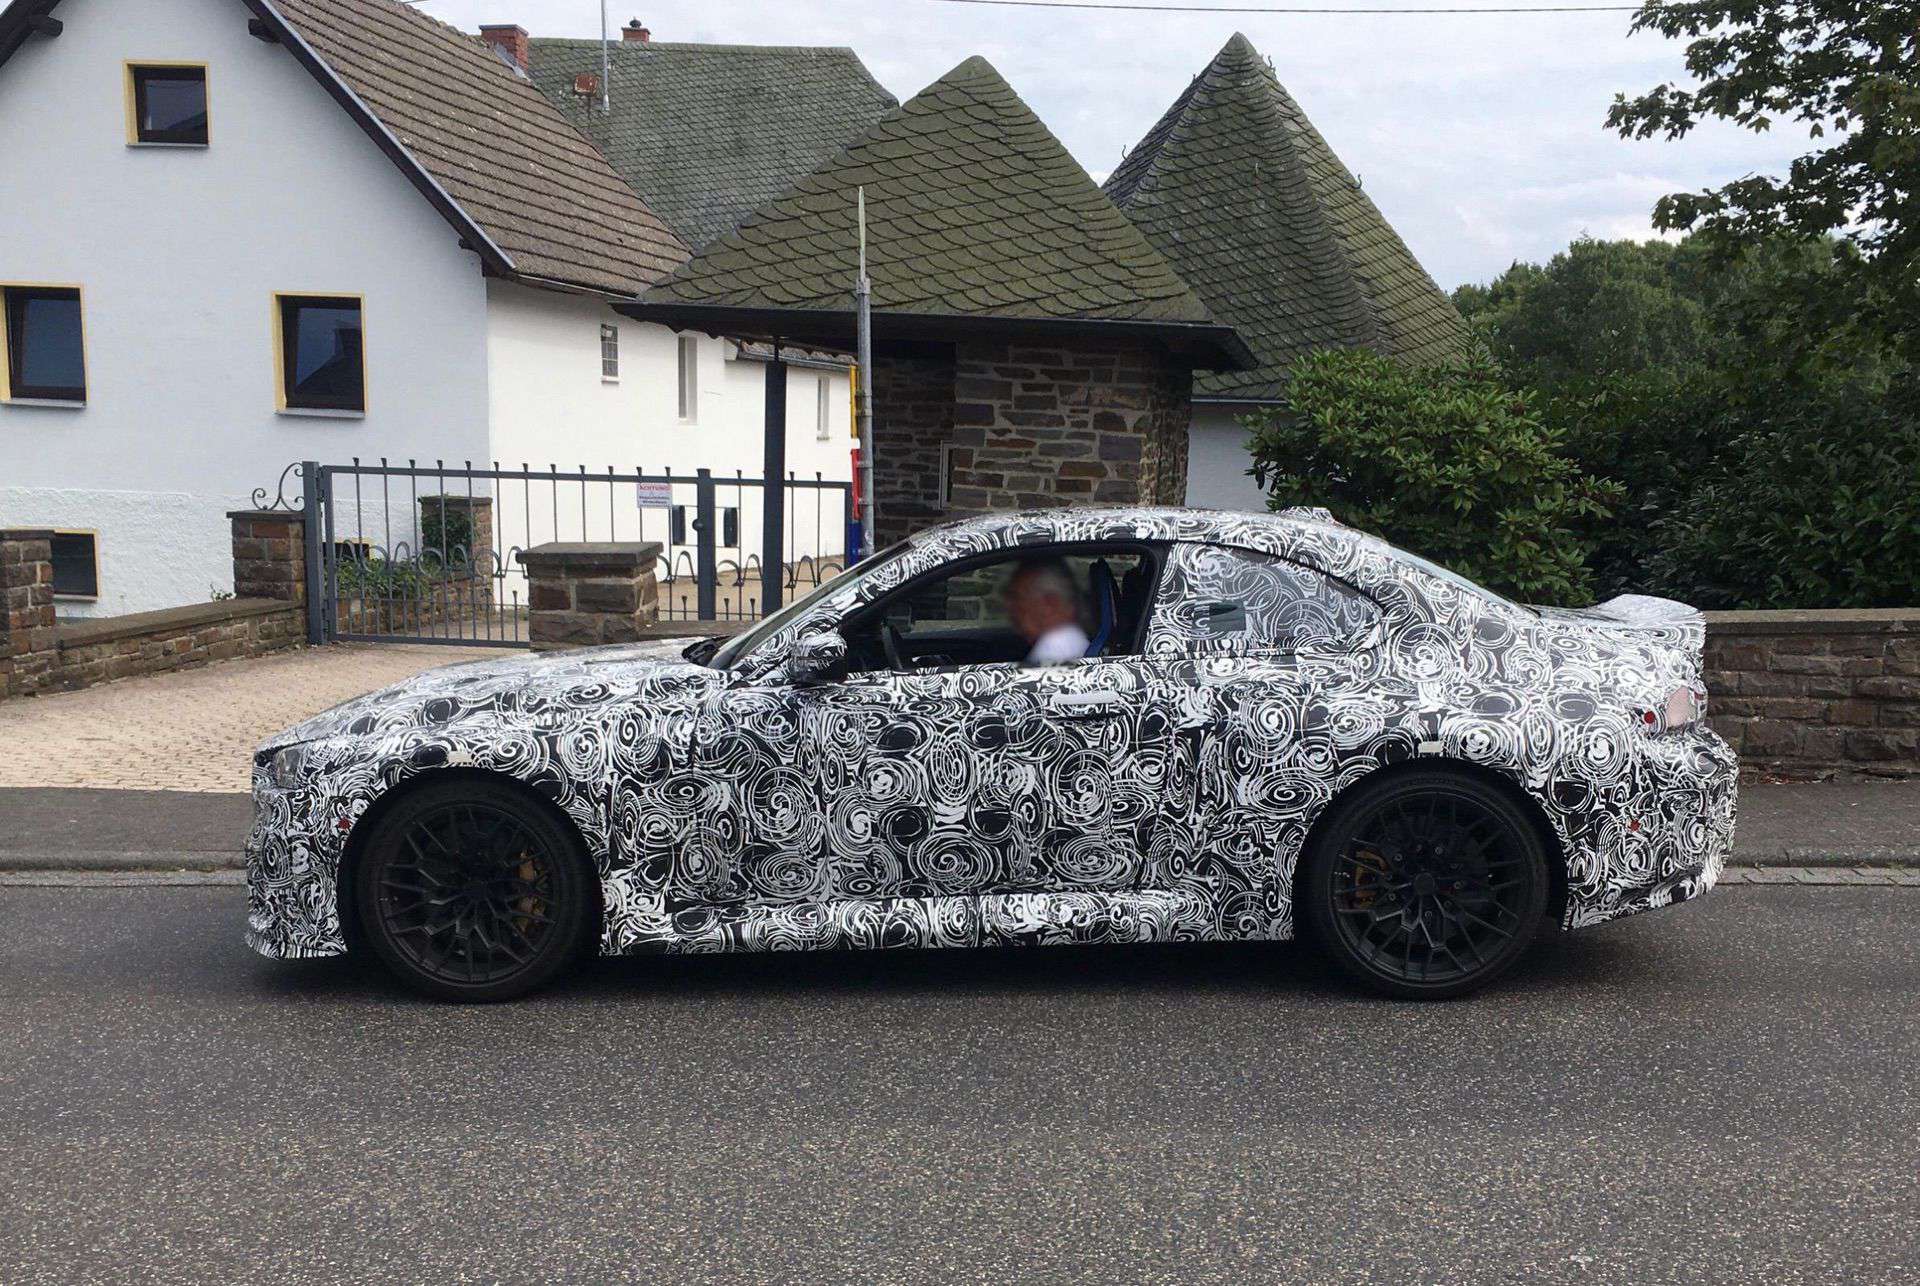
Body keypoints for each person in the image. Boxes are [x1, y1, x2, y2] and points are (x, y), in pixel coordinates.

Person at [1004, 558, 1090, 665]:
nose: (1010, 606)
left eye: (1018, 598)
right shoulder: (1070, 640)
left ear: (1050, 604)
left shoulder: (1054, 651)